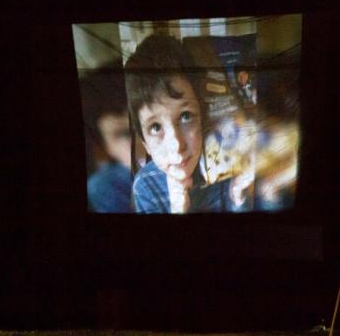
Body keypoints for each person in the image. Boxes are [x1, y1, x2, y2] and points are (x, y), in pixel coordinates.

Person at [124, 34, 239, 213]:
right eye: (155, 127)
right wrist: (178, 209)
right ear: (145, 143)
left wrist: (242, 198)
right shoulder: (145, 186)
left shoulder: (228, 164)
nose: (176, 145)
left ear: (203, 117)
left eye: (186, 116)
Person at [82, 65, 135, 213]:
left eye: (154, 126)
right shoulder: (108, 186)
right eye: (126, 134)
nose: (145, 143)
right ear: (105, 148)